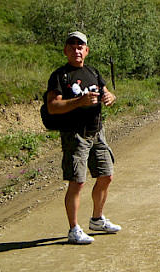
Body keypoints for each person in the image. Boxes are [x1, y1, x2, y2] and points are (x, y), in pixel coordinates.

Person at [45, 31, 121, 244]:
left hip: (97, 131)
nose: (76, 49)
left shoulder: (93, 71)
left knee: (106, 176)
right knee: (77, 182)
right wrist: (79, 102)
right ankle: (74, 229)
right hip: (74, 135)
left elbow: (108, 93)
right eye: (72, 46)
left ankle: (97, 219)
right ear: (65, 50)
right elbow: (52, 106)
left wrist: (110, 97)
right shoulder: (60, 76)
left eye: (81, 46)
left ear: (86, 50)